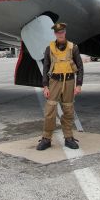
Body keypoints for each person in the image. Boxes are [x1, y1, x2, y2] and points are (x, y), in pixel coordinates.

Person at [37, 22, 84, 151]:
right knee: (50, 111)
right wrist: (45, 86)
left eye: (62, 32)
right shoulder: (49, 48)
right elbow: (46, 67)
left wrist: (78, 84)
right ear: (55, 34)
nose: (60, 34)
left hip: (69, 82)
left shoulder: (73, 47)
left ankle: (68, 138)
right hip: (54, 82)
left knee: (68, 111)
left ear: (65, 32)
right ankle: (46, 139)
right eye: (58, 32)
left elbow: (80, 67)